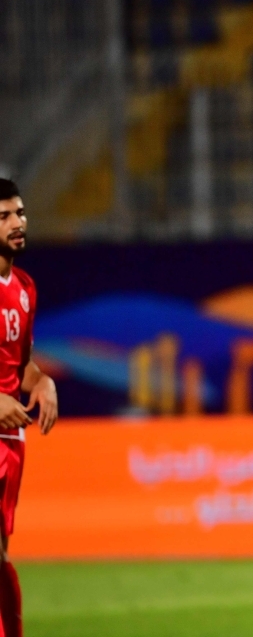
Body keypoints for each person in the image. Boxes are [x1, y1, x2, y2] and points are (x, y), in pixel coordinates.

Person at [0, 179, 59, 637]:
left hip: (9, 443)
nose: (17, 223)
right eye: (4, 217)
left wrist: (43, 383)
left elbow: (20, 368)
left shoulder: (23, 287)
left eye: (19, 213)